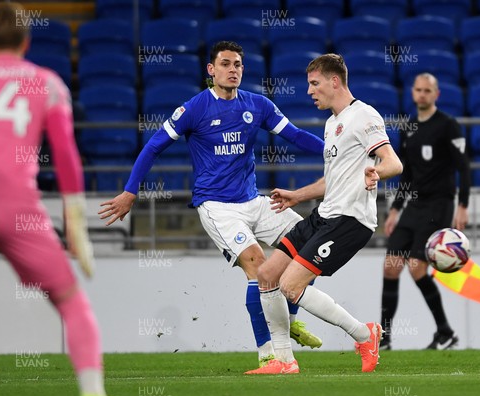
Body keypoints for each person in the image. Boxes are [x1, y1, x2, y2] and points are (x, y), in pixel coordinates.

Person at [98, 41, 324, 366]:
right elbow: (152, 148)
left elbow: (297, 135)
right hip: (217, 206)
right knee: (259, 267)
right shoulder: (194, 109)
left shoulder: (257, 105)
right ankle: (267, 356)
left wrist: (335, 150)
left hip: (254, 201)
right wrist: (130, 191)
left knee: (310, 243)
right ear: (211, 70)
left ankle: (287, 317)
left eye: (238, 65)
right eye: (226, 64)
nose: (233, 70)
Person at [245, 53, 403, 375]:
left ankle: (364, 334)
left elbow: (393, 162)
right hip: (322, 215)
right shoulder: (332, 124)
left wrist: (377, 172)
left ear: (335, 81)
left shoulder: (364, 116)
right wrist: (297, 196)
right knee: (266, 275)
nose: (309, 91)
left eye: (314, 84)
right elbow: (333, 180)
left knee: (290, 286)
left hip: (350, 221)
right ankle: (284, 361)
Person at [0, 3, 114, 396]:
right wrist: (75, 225)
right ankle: (92, 394)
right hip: (17, 210)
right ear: (26, 41)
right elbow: (66, 158)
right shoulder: (47, 84)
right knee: (73, 303)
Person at [380, 73, 470, 351]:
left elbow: (463, 167)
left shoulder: (448, 125)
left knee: (417, 267)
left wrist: (463, 206)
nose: (422, 95)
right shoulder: (408, 127)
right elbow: (406, 174)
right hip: (413, 206)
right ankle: (384, 338)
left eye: (427, 91)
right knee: (391, 267)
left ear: (436, 94)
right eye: (418, 90)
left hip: (440, 204)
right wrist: (395, 209)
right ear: (412, 92)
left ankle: (444, 331)